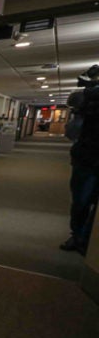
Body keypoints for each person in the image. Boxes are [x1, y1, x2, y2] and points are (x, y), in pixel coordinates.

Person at [61, 65, 99, 255]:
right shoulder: (87, 98)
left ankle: (87, 240)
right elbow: (72, 132)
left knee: (83, 203)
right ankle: (78, 237)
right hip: (87, 158)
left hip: (86, 159)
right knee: (81, 202)